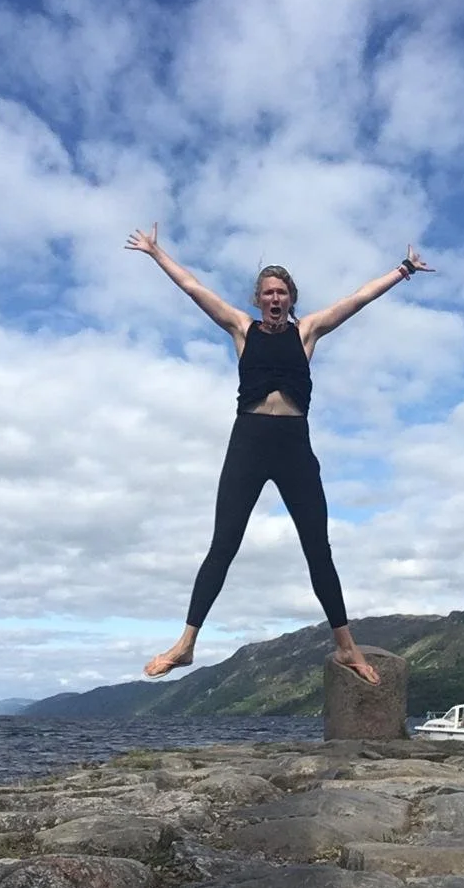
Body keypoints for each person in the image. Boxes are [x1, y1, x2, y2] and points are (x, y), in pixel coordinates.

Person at [125, 223, 434, 684]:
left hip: (294, 445)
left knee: (318, 549)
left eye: (282, 292)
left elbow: (359, 298)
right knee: (223, 545)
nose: (275, 297)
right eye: (268, 291)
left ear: (291, 299)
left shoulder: (307, 332)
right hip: (248, 442)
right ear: (258, 298)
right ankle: (186, 644)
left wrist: (404, 269)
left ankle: (346, 646)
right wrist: (155, 253)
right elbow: (193, 288)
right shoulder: (241, 329)